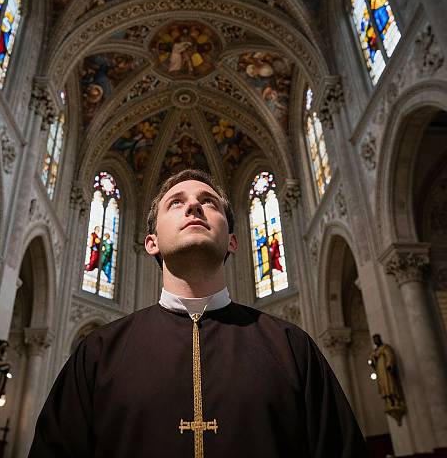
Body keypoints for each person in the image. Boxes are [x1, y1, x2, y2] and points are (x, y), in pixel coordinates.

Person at [29, 169, 367, 457]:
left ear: (233, 241)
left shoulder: (292, 347)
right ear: (151, 242)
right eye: (176, 203)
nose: (194, 205)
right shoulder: (98, 352)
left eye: (209, 202)